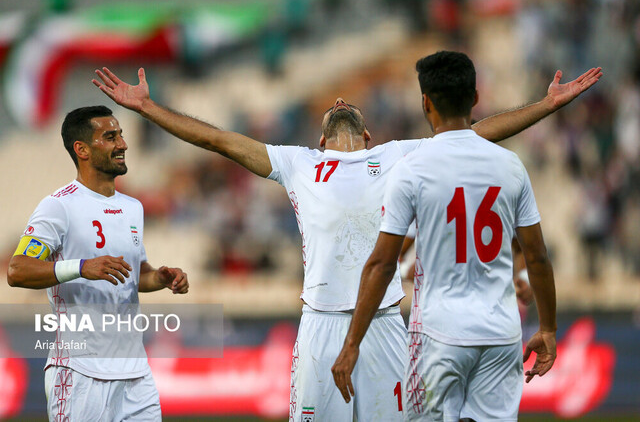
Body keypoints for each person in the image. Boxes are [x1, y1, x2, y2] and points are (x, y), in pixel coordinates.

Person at [92, 63, 600, 421]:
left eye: (347, 103)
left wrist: (546, 106)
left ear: (370, 134)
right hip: (321, 328)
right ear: (319, 140)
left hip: (384, 330)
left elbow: (478, 132)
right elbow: (216, 140)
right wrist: (148, 108)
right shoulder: (299, 165)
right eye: (331, 106)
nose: (338, 103)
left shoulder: (402, 157)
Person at [331, 51, 562, 421]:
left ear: (425, 102)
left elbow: (382, 263)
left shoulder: (411, 170)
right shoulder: (510, 166)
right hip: (502, 335)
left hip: (440, 336)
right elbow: (537, 257)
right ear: (474, 98)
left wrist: (352, 342)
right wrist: (548, 328)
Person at [6, 106, 189, 421]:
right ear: (82, 150)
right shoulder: (58, 206)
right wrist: (80, 267)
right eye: (110, 137)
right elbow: (17, 270)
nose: (123, 144)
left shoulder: (132, 208)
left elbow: (136, 275)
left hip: (135, 374)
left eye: (120, 134)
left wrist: (160, 277)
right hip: (80, 371)